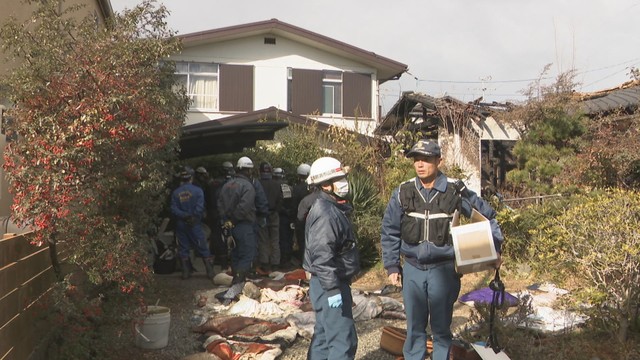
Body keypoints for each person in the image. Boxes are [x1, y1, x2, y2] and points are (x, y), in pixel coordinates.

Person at [380, 139, 504, 360]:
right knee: (415, 327)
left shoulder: (455, 191)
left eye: (426, 159)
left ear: (439, 161)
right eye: (416, 159)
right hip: (412, 270)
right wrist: (391, 266)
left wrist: (494, 250)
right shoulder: (403, 192)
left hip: (444, 270)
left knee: (440, 329)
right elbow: (389, 230)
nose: (420, 164)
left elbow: (486, 217)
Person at [303, 157, 359, 360]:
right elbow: (321, 255)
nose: (344, 182)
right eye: (339, 178)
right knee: (342, 341)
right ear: (326, 185)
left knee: (324, 338)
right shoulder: (326, 213)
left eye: (343, 177)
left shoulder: (330, 207)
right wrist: (334, 289)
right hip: (330, 283)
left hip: (325, 283)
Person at [217, 157, 258, 302]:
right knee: (247, 255)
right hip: (243, 225)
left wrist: (226, 221)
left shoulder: (227, 185)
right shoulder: (247, 186)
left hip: (230, 226)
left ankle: (236, 285)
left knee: (235, 254)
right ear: (248, 170)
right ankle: (235, 288)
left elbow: (220, 204)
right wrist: (234, 220)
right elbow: (244, 206)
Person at [170, 166, 215, 280]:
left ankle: (185, 273)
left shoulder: (176, 193)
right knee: (202, 246)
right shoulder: (198, 190)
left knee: (183, 247)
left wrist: (184, 215)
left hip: (181, 223)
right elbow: (200, 207)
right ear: (191, 177)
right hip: (195, 223)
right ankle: (210, 271)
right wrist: (193, 216)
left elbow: (173, 209)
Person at [256, 162, 283, 274]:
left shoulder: (257, 183)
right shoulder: (277, 184)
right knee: (275, 240)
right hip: (274, 214)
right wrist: (275, 210)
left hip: (261, 215)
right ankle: (275, 264)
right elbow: (280, 200)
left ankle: (265, 264)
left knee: (263, 240)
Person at [273, 167, 295, 268]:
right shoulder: (287, 187)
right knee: (287, 238)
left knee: (279, 239)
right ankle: (286, 259)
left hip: (278, 215)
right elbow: (289, 203)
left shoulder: (274, 186)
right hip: (287, 216)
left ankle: (281, 260)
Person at [292, 163, 311, 263]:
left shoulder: (296, 188)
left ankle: (303, 261)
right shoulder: (313, 188)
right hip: (311, 217)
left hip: (300, 218)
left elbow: (293, 204)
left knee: (301, 240)